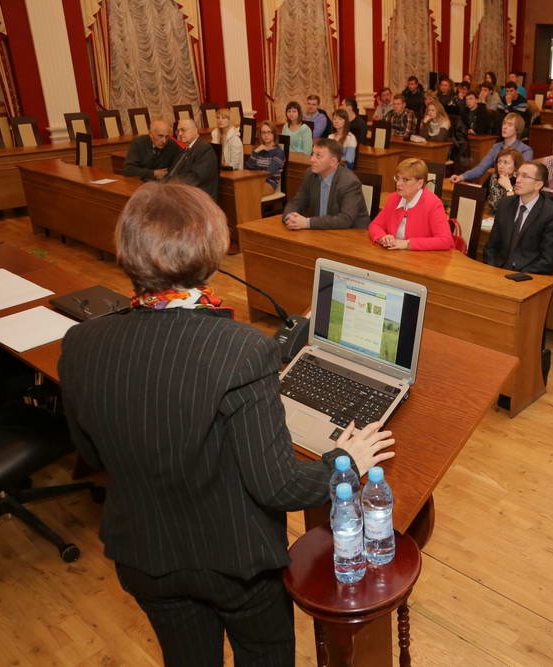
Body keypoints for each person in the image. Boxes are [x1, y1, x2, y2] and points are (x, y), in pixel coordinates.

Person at [58, 182, 395, 666]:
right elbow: (277, 486)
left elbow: (91, 454)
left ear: (125, 249)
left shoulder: (81, 342)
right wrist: (346, 462)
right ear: (211, 251)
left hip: (144, 556)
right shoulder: (242, 348)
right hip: (233, 563)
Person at [484, 160, 553, 274]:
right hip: (498, 270)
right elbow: (491, 247)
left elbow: (548, 261)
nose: (518, 180)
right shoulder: (506, 204)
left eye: (525, 176)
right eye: (518, 175)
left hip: (528, 276)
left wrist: (518, 276)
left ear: (538, 185)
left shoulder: (551, 212)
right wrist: (492, 270)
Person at [282, 138, 370, 230]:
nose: (312, 159)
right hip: (320, 231)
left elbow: (345, 219)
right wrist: (289, 217)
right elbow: (297, 202)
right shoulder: (310, 174)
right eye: (312, 154)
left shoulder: (349, 182)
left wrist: (307, 223)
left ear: (333, 162)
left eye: (318, 156)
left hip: (351, 234)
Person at [368, 158, 454, 250]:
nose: (398, 184)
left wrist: (407, 244)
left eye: (405, 180)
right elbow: (375, 225)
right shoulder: (393, 198)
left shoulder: (433, 204)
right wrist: (383, 237)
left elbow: (445, 240)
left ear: (419, 183)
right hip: (395, 256)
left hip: (423, 260)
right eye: (398, 178)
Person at [452, 113, 533, 183]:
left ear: (517, 130)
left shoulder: (525, 150)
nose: (505, 127)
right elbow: (481, 168)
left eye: (510, 124)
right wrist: (461, 177)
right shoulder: (496, 147)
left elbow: (521, 174)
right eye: (504, 123)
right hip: (496, 185)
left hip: (513, 188)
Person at [163, 118, 218, 201]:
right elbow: (173, 171)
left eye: (183, 130)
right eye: (178, 131)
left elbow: (195, 178)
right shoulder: (184, 150)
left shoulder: (204, 149)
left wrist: (171, 186)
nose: (180, 134)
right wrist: (162, 184)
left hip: (199, 198)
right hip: (184, 192)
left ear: (195, 130)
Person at [245, 121, 286, 196]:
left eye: (269, 132)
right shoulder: (259, 150)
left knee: (248, 192)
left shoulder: (279, 152)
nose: (266, 135)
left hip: (269, 184)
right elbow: (248, 168)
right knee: (240, 190)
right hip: (255, 182)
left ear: (274, 134)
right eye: (263, 132)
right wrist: (256, 151)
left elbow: (269, 172)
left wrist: (255, 177)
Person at [485, 147, 523, 212]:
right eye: (499, 162)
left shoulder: (521, 181)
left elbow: (515, 209)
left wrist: (508, 188)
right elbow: (481, 196)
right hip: (492, 215)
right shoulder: (493, 177)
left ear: (516, 166)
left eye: (506, 163)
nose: (501, 166)